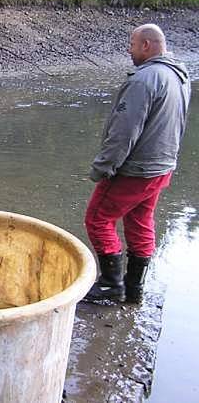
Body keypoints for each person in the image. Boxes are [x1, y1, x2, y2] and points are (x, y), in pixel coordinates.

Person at [84, 24, 191, 304]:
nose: (129, 50)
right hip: (162, 166)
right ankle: (135, 289)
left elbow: (124, 132)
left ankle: (110, 284)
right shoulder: (179, 76)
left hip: (136, 169)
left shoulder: (143, 80)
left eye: (132, 44)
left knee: (97, 219)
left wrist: (103, 168)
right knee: (140, 221)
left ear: (146, 45)